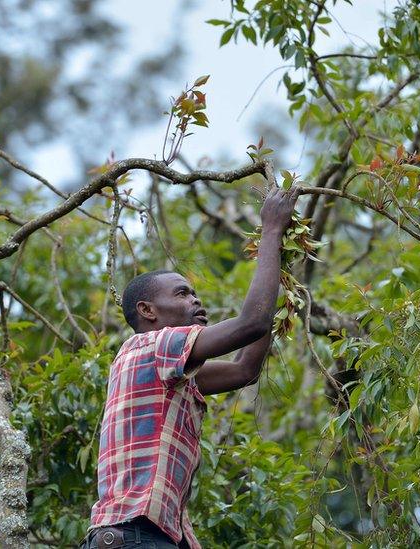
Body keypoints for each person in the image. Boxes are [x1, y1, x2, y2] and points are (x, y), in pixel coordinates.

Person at [80, 186, 300, 548]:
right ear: (147, 311)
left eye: (194, 293)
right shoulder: (151, 345)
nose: (195, 299)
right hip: (135, 537)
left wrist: (279, 271)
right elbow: (251, 324)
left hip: (145, 536)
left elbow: (245, 369)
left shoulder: (167, 373)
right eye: (181, 293)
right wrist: (272, 230)